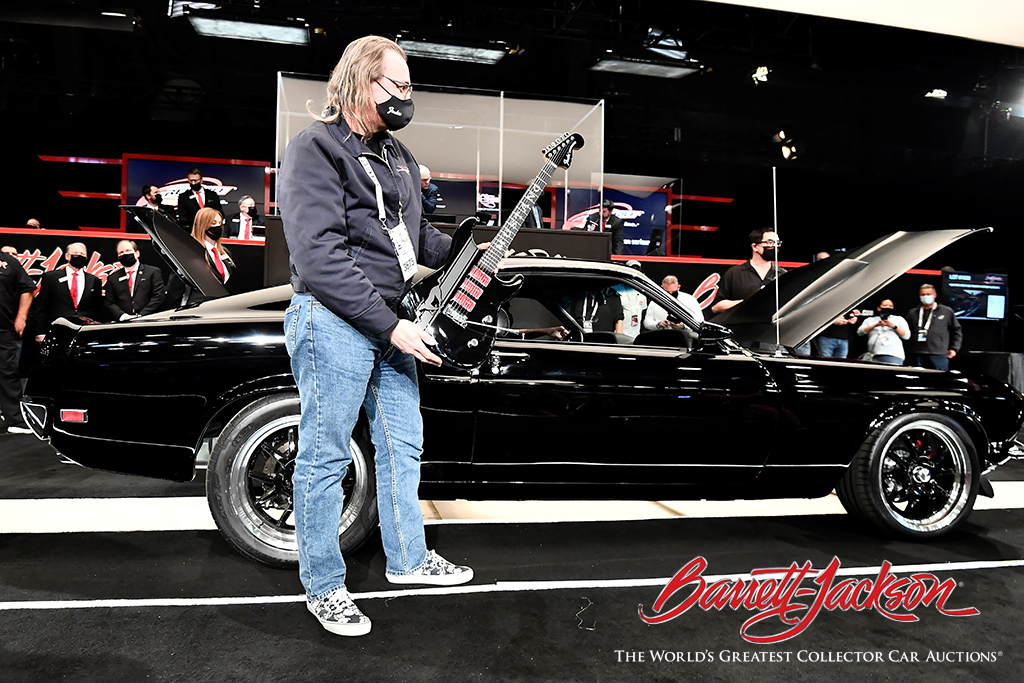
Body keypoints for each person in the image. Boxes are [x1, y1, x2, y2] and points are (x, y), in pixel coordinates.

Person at [277, 35, 473, 637]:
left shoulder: (399, 157)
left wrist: (475, 246)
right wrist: (391, 326)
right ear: (361, 81)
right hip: (334, 318)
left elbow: (414, 241)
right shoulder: (314, 149)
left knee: (402, 446)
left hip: (394, 322)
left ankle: (409, 560)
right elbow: (319, 257)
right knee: (326, 454)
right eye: (400, 86)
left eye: (411, 87)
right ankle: (324, 586)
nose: (408, 97)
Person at [28, 242, 105, 343]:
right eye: (76, 254)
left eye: (83, 254)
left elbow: (97, 309)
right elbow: (41, 307)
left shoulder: (94, 280)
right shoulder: (51, 277)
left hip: (85, 332)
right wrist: (40, 333)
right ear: (67, 256)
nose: (80, 256)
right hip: (57, 330)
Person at [0, 249, 35, 434]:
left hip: (2, 328)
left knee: (7, 373)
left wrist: (21, 316)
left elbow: (28, 288)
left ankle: (16, 419)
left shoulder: (7, 261)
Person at [710, 229, 786, 315]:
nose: (775, 246)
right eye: (770, 242)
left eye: (777, 243)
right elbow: (716, 307)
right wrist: (746, 304)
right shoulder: (734, 273)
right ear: (754, 247)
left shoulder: (783, 274)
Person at [104, 240, 166, 320]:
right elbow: (109, 302)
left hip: (149, 319)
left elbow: (158, 296)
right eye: (121, 253)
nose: (124, 254)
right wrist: (123, 316)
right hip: (123, 322)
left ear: (137, 253)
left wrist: (142, 315)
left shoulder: (153, 272)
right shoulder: (113, 277)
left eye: (128, 251)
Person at [907, 283, 962, 371]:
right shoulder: (913, 313)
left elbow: (957, 331)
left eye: (928, 294)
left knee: (939, 381)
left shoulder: (946, 311)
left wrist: (954, 348)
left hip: (938, 353)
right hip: (917, 352)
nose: (925, 297)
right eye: (923, 294)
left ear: (935, 295)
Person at [857, 299, 910, 365]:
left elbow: (907, 336)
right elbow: (860, 332)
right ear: (879, 308)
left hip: (893, 355)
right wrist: (875, 325)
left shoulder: (899, 319)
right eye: (885, 305)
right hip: (874, 355)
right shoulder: (870, 320)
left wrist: (894, 326)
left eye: (890, 306)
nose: (888, 307)